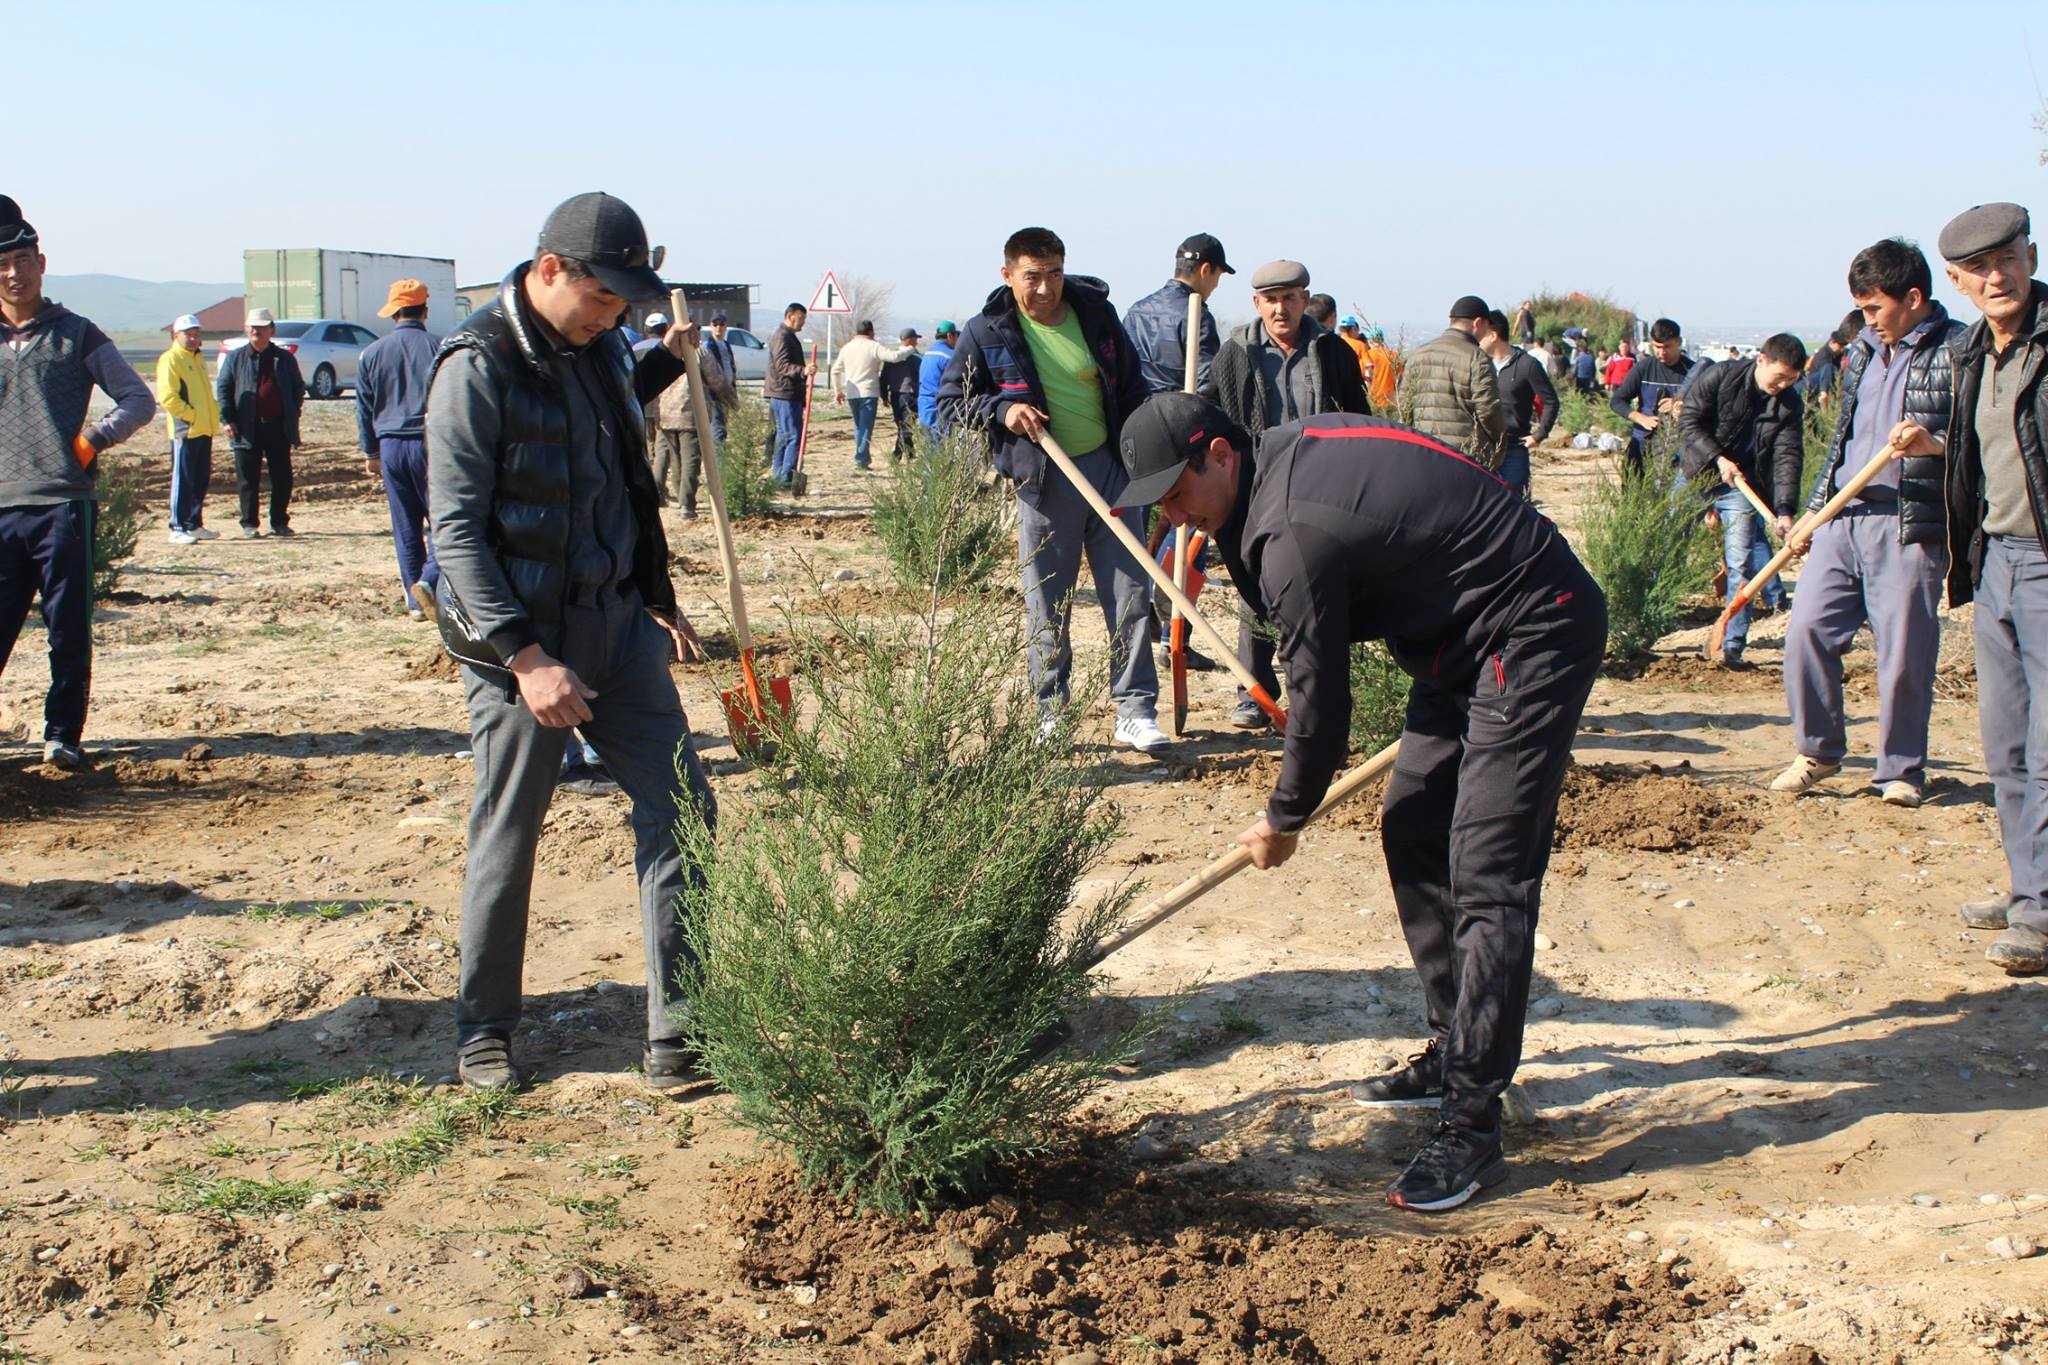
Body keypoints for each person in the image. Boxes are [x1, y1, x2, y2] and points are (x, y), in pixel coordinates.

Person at [1118, 392, 1606, 1213]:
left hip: (1530, 626)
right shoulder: (1272, 466)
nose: (1170, 513)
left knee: (1488, 875)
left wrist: (1284, 815)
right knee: (1413, 822)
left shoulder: (1291, 532)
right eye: (1157, 500)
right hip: (1460, 633)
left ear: (1221, 454)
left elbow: (1321, 707)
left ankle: (1472, 1125)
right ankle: (1453, 1047)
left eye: (1175, 489)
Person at [424, 191, 714, 1092]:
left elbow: (614, 459)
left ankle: (682, 1028)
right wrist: (526, 658)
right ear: (552, 270)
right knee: (509, 832)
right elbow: (457, 533)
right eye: (602, 299)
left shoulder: (594, 351)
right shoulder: (476, 365)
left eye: (626, 305)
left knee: (686, 808)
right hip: (521, 647)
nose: (612, 317)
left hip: (616, 626)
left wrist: (657, 596)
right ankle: (485, 1029)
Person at [936, 225, 1168, 752]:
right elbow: (950, 403)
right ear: (1008, 275)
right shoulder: (987, 330)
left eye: (1055, 274)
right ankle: (1052, 712)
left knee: (1131, 593)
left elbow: (1131, 385)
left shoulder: (1096, 314)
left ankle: (1134, 709)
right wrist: (1002, 409)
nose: (1046, 289)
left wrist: (1146, 454)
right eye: (1033, 277)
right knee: (1048, 601)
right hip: (1043, 481)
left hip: (1110, 472)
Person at [1772, 238, 1965, 807]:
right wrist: (1813, 510)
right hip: (1842, 517)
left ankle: (1900, 770)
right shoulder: (1860, 349)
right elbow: (1841, 440)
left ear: (1912, 297)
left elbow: (1981, 443)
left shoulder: (1959, 350)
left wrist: (1934, 445)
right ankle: (1819, 750)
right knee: (1806, 630)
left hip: (1908, 524)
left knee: (1903, 651)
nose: (1867, 318)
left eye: (1876, 307)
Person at [0, 195, 155, 770]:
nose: (14, 273)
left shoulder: (76, 334)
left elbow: (139, 399)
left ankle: (62, 733)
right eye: (1, 264)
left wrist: (93, 440)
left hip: (62, 507)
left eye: (22, 259)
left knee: (67, 630)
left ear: (41, 262)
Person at [1937, 203, 2048, 971]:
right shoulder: (1974, 352)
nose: (1995, 276)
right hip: (1998, 559)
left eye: (2006, 258)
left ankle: (2040, 913)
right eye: (1978, 269)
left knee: (2046, 748)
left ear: (2031, 255)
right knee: (2005, 746)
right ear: (1958, 282)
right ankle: (2026, 887)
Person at [1211, 260, 1372, 730]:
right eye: (1271, 299)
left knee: (1319, 588)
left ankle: (1315, 692)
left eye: (1289, 297)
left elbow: (1357, 415)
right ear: (1257, 304)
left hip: (1317, 485)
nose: (1280, 308)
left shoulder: (1332, 352)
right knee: (1251, 587)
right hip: (1254, 485)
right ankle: (1254, 692)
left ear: (1305, 299)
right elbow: (1211, 407)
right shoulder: (1235, 352)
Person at [1678, 333, 1807, 665]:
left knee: (1741, 564)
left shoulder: (1789, 403)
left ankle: (1730, 643)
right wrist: (1717, 458)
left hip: (1741, 488)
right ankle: (1642, 626)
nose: (1783, 385)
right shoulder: (1722, 375)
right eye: (1779, 376)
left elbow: (1787, 457)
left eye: (1791, 379)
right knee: (1665, 549)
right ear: (1761, 360)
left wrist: (1784, 510)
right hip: (1696, 475)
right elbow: (1689, 421)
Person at [356, 279, 441, 617]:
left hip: (390, 446)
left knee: (406, 525)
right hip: (431, 445)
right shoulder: (440, 347)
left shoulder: (372, 353)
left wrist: (370, 452)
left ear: (394, 312)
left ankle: (414, 601)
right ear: (425, 310)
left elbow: (363, 408)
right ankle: (430, 583)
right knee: (443, 521)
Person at [216, 306, 305, 536]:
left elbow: (298, 388)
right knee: (247, 479)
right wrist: (227, 419)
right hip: (245, 428)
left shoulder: (284, 358)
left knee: (282, 477)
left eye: (262, 327)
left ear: (271, 330)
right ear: (246, 330)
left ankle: (279, 522)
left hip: (277, 426)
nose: (257, 332)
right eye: (253, 327)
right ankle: (249, 524)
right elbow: (224, 389)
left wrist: (293, 412)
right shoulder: (236, 358)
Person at [1396, 294, 1507, 466]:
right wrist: (1500, 444)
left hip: (1424, 451)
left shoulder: (1417, 355)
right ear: (1478, 323)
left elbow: (1404, 407)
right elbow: (1488, 410)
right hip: (1465, 455)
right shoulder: (1477, 358)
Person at [1123, 232, 1231, 395]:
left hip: (1136, 413)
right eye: (1218, 276)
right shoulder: (1197, 316)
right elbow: (1207, 385)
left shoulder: (1135, 311)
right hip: (1179, 414)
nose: (1216, 285)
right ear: (1205, 270)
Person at [1474, 308, 1560, 499]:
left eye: (1481, 335)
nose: (1477, 340)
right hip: (1483, 448)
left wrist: (1539, 435)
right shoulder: (1479, 365)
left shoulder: (1527, 365)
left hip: (1514, 449)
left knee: (1517, 508)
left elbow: (1551, 402)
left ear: (1494, 335)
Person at [157, 312, 220, 544]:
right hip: (186, 430)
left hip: (204, 428)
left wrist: (214, 413)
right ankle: (177, 525)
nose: (193, 339)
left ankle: (194, 524)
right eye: (188, 335)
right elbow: (168, 397)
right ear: (176, 335)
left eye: (196, 334)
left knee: (200, 478)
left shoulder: (197, 359)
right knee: (182, 479)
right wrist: (192, 416)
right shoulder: (171, 359)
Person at [1608, 319, 1695, 478]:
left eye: (1667, 346)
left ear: (1678, 342)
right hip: (1642, 442)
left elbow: (1707, 407)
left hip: (1678, 447)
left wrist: (1681, 404)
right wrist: (1641, 419)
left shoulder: (1692, 372)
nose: (1662, 352)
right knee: (1633, 494)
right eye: (1657, 347)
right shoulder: (1644, 367)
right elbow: (1617, 401)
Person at [827, 319, 916, 470]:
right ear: (871, 332)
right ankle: (861, 460)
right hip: (868, 391)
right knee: (866, 427)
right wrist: (910, 349)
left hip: (852, 392)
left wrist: (838, 391)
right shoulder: (873, 346)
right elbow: (893, 357)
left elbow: (835, 370)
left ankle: (862, 457)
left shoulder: (847, 348)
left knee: (859, 427)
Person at [762, 302, 814, 485]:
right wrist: (803, 371)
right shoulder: (782, 337)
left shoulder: (788, 336)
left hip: (788, 393)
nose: (803, 322)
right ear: (791, 315)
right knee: (791, 436)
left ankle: (779, 475)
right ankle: (785, 477)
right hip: (784, 393)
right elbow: (782, 366)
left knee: (784, 436)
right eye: (802, 318)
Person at [1801, 309, 1862, 406]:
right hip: (1815, 391)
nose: (1842, 349)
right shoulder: (1824, 357)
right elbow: (1827, 377)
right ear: (1832, 343)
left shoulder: (1836, 354)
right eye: (1841, 346)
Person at [881, 328, 923, 459]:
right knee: (906, 427)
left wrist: (884, 396)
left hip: (895, 395)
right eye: (915, 339)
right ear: (910, 340)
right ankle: (897, 455)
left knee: (902, 425)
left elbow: (883, 378)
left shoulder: (892, 357)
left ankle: (911, 454)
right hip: (909, 395)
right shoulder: (915, 358)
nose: (917, 341)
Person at [701, 312, 736, 441]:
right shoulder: (708, 346)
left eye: (721, 325)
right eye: (715, 325)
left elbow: (731, 367)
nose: (718, 328)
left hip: (727, 392)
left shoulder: (726, 345)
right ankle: (718, 458)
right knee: (717, 428)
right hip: (714, 394)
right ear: (711, 326)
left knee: (723, 426)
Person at [917, 320, 957, 433]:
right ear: (950, 335)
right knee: (944, 445)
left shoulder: (927, 354)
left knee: (929, 445)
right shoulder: (950, 356)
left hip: (924, 406)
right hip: (941, 407)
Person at [1363, 326, 1400, 410]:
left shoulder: (1367, 355)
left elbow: (1365, 378)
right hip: (1391, 401)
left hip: (1374, 401)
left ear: (1370, 341)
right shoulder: (1394, 355)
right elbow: (1399, 377)